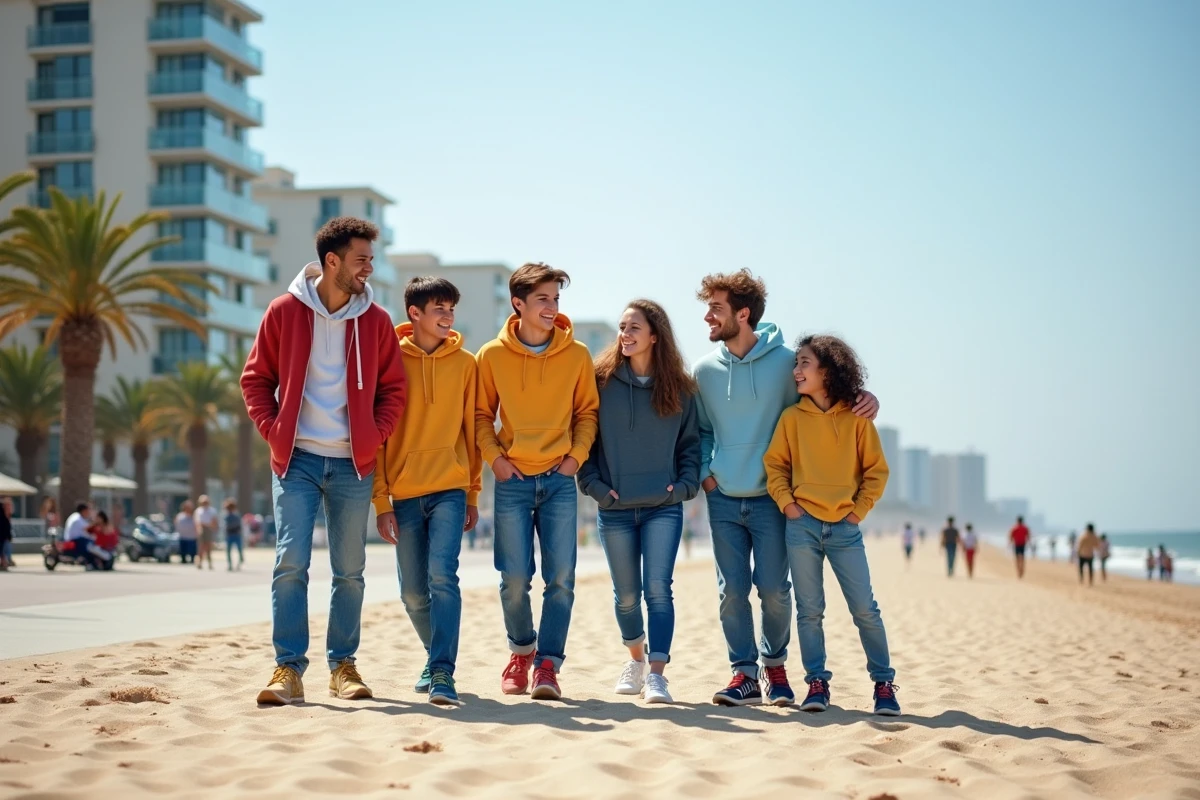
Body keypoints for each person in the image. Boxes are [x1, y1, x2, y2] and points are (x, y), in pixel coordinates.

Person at [693, 270, 880, 707]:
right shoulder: (704, 371)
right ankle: (744, 675)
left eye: (716, 308)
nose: (707, 317)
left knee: (775, 592)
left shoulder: (785, 364)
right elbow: (701, 431)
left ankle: (774, 668)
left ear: (743, 314)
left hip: (775, 500)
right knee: (731, 592)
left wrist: (865, 397)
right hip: (723, 497)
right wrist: (707, 474)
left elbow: (826, 397)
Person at [242, 216, 407, 706]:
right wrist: (275, 433)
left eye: (371, 260)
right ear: (331, 261)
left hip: (353, 466)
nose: (368, 269)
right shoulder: (283, 312)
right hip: (296, 461)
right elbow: (255, 381)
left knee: (349, 570)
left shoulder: (375, 321)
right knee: (290, 561)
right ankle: (287, 669)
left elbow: (394, 389)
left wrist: (374, 436)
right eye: (361, 260)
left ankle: (343, 666)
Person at [475, 262, 599, 701]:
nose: (551, 307)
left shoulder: (577, 355)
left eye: (556, 299)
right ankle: (522, 651)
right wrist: (495, 459)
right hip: (512, 479)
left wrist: (575, 459)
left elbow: (587, 414)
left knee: (561, 577)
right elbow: (480, 416)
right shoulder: (491, 355)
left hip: (560, 480)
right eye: (543, 299)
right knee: (513, 578)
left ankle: (548, 665)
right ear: (518, 304)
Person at [763, 334, 898, 715]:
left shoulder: (857, 418)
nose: (797, 370)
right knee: (810, 611)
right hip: (801, 525)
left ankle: (884, 685)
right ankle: (817, 684)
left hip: (845, 528)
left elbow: (876, 471)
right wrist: (788, 505)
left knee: (864, 609)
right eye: (796, 363)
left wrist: (857, 512)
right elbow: (776, 466)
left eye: (805, 362)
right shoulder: (791, 418)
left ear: (828, 369)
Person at [577, 300, 700, 705]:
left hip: (663, 507)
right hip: (613, 508)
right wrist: (594, 485)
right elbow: (585, 440)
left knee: (658, 590)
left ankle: (658, 675)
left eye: (634, 327)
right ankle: (635, 659)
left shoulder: (680, 389)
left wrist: (680, 489)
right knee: (626, 595)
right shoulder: (600, 381)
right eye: (621, 327)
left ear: (654, 335)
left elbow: (690, 448)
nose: (625, 334)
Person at [373, 277, 481, 707]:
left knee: (443, 576)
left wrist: (472, 493)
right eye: (439, 308)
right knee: (413, 593)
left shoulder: (466, 363)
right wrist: (381, 501)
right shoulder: (389, 361)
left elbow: (472, 432)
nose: (447, 316)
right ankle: (434, 657)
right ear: (414, 313)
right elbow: (378, 437)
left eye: (451, 308)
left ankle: (442, 671)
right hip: (404, 493)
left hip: (450, 489)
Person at [62, 501, 109, 570]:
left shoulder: (77, 517)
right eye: (88, 510)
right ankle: (92, 563)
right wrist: (96, 522)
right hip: (75, 541)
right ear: (84, 511)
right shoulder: (77, 519)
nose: (89, 512)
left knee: (90, 542)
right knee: (89, 546)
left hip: (76, 540)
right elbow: (87, 529)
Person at [194, 495, 218, 570]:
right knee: (201, 547)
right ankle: (199, 562)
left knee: (208, 547)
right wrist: (198, 529)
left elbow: (214, 521)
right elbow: (197, 521)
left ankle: (210, 563)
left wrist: (214, 528)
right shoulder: (198, 510)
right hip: (201, 528)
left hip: (209, 528)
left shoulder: (212, 510)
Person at [223, 499, 244, 571]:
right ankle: (230, 564)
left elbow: (239, 525)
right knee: (228, 550)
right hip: (229, 534)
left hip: (236, 534)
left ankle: (240, 561)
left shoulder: (236, 515)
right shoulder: (226, 516)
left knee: (239, 549)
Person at [0, 497, 13, 571]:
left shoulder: (6, 516)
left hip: (4, 536)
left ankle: (4, 563)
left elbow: (7, 527)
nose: (10, 507)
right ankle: (4, 563)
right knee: (3, 550)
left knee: (4, 551)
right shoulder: (2, 514)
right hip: (2, 535)